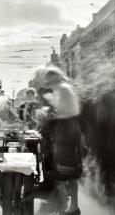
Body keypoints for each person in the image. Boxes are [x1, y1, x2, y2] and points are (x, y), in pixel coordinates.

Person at [34, 66, 82, 215]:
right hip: (66, 129)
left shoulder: (63, 88)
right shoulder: (62, 88)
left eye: (48, 79)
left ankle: (70, 207)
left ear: (54, 78)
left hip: (66, 130)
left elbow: (65, 111)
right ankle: (69, 206)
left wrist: (48, 115)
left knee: (66, 169)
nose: (47, 83)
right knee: (66, 169)